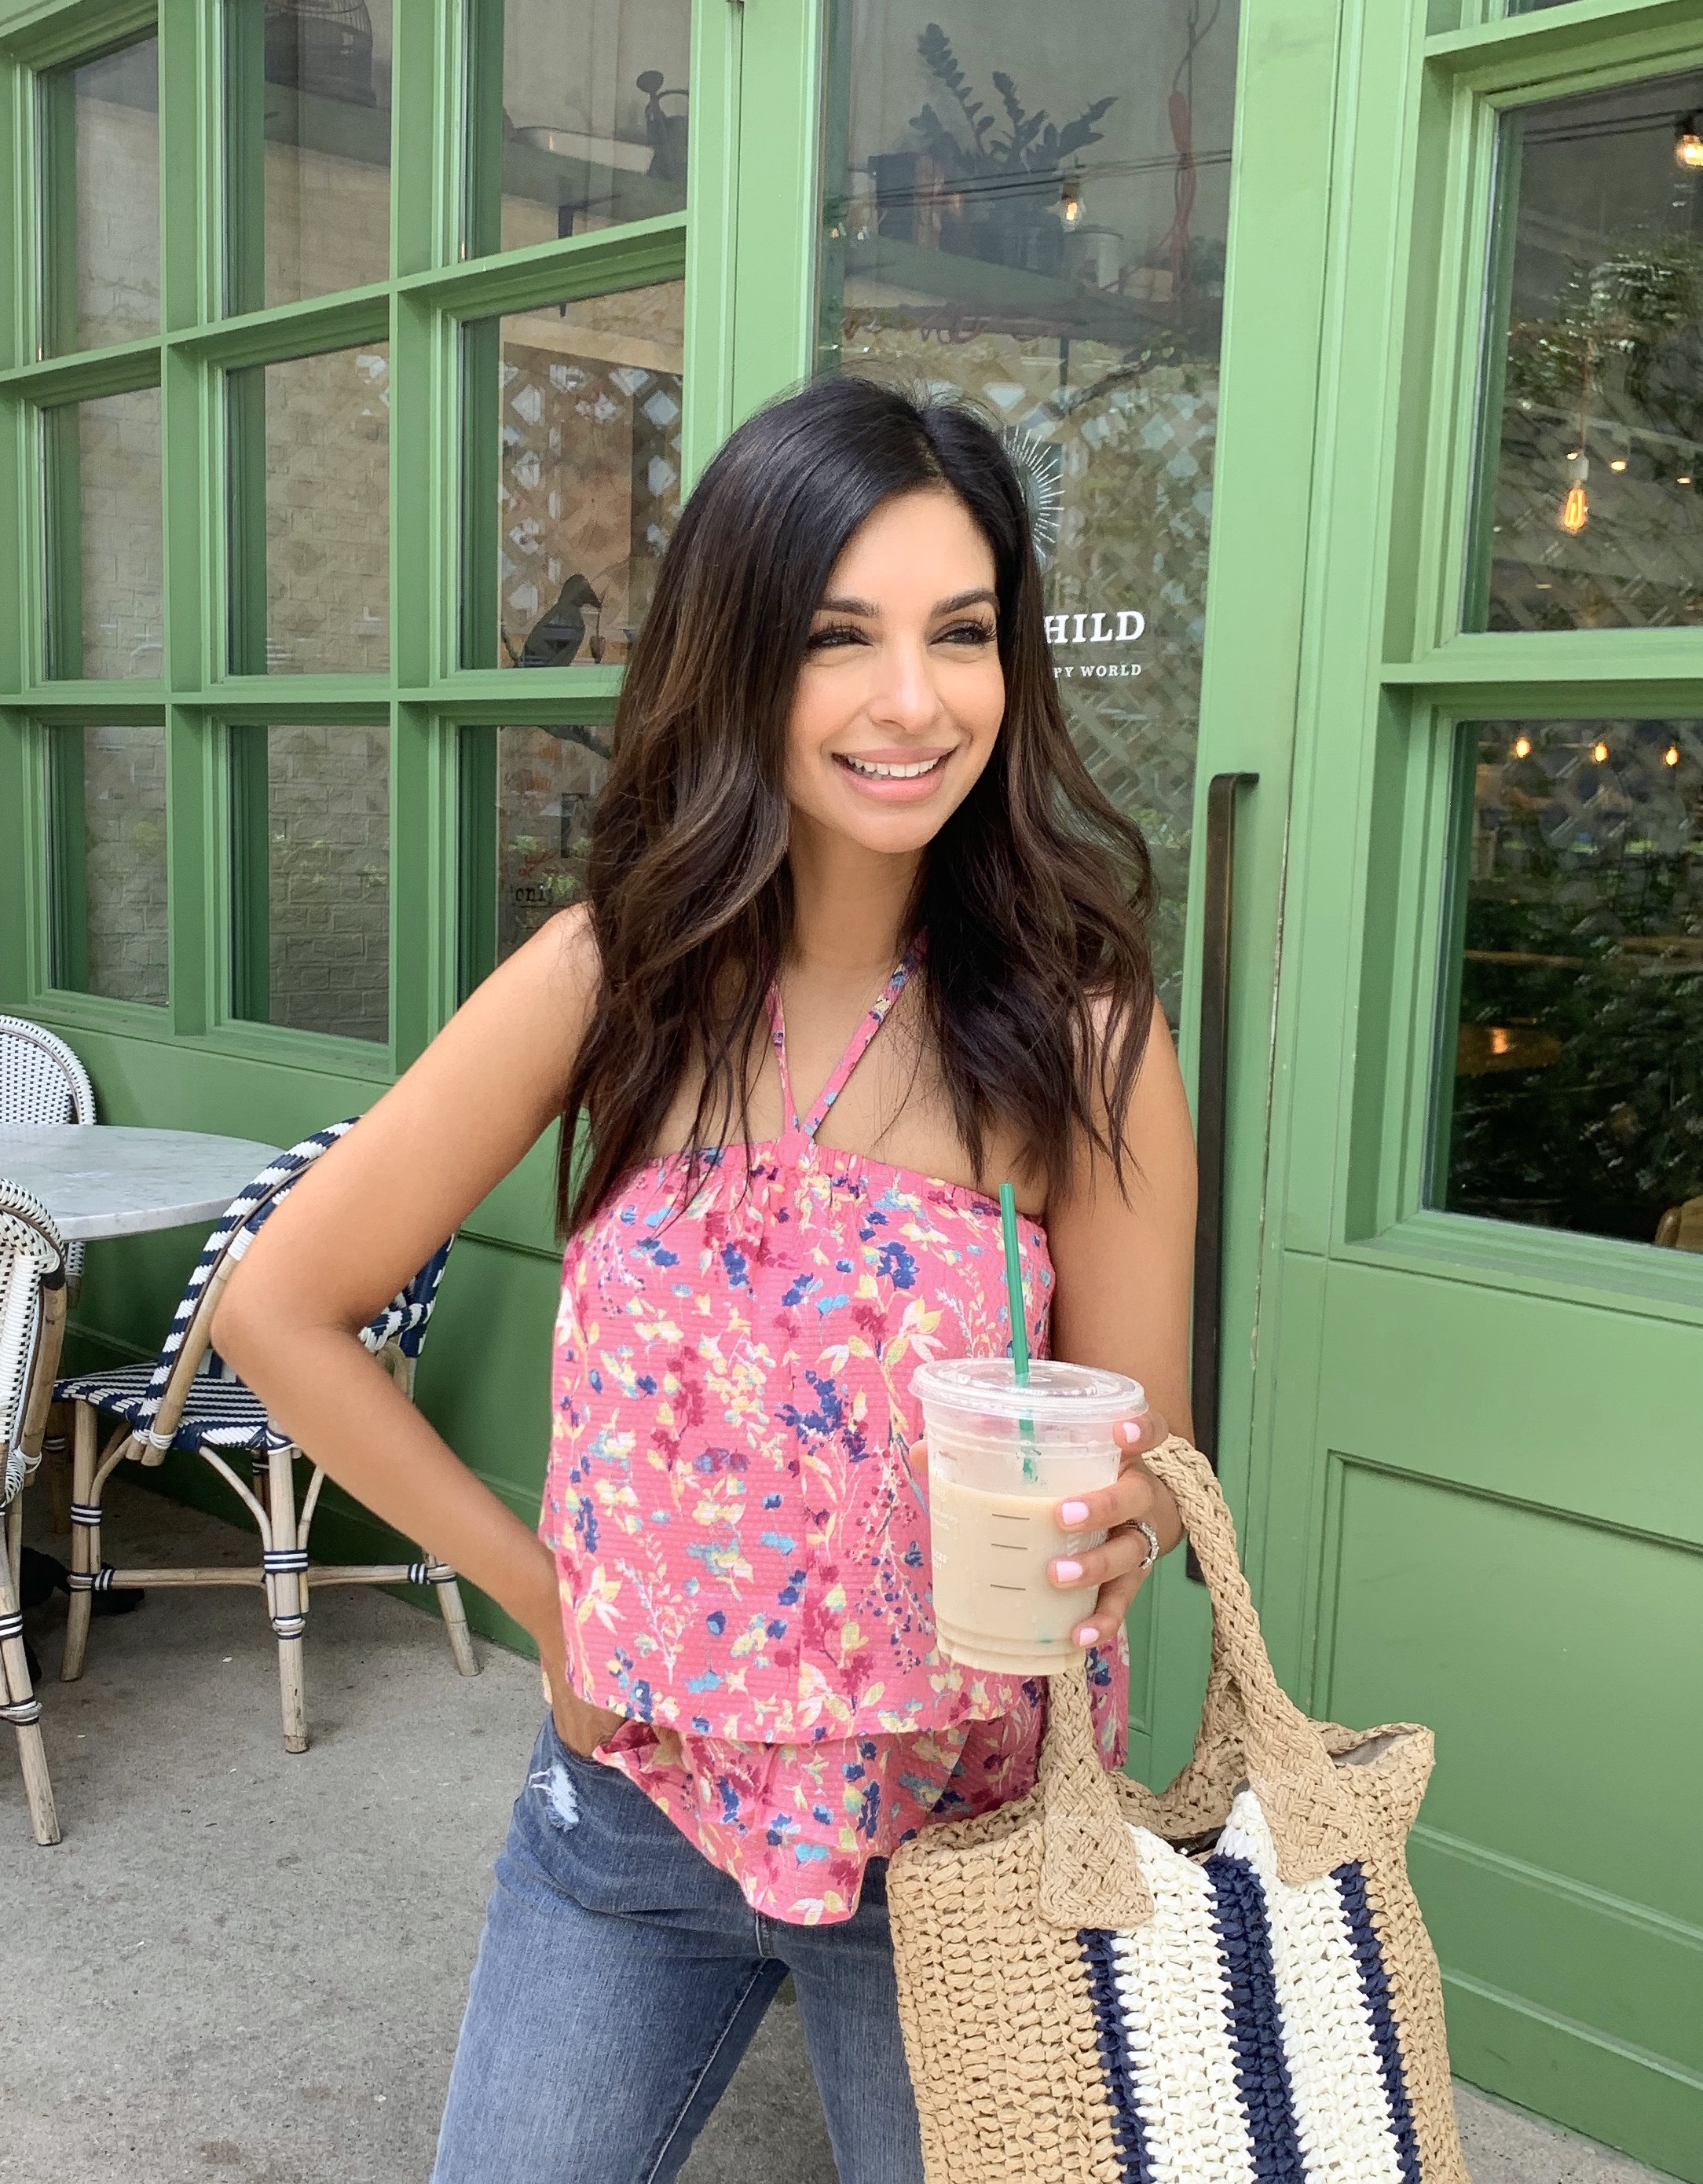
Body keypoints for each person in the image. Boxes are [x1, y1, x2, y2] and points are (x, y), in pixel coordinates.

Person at [214, 376, 1197, 2184]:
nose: (914, 699)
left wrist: (1120, 1524)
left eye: (960, 632)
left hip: (959, 1839)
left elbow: (1144, 1457)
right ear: (738, 657)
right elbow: (280, 1309)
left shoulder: (1085, 1034)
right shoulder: (616, 981)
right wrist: (547, 1604)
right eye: (838, 636)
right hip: (636, 1814)